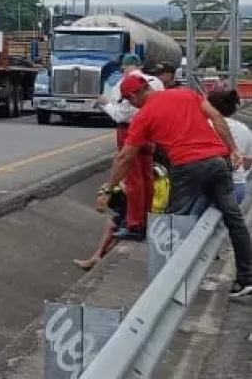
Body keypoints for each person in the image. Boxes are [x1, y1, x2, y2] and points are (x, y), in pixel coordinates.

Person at [97, 75, 252, 298]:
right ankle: (246, 278)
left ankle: (167, 286)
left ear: (134, 95)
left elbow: (125, 158)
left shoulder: (143, 117)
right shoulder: (186, 94)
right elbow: (217, 118)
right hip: (218, 163)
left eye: (128, 101)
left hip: (187, 167)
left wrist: (108, 189)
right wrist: (233, 150)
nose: (130, 105)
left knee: (171, 224)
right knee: (234, 219)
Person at [97, 53, 163, 241]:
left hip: (130, 131)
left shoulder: (122, 85)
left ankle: (135, 223)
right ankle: (148, 217)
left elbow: (121, 116)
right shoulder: (156, 82)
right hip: (151, 132)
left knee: (134, 180)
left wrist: (105, 104)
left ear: (125, 67)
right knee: (147, 177)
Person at [207, 90, 251, 204]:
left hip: (207, 184)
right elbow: (247, 165)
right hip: (236, 185)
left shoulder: (204, 126)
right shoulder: (245, 130)